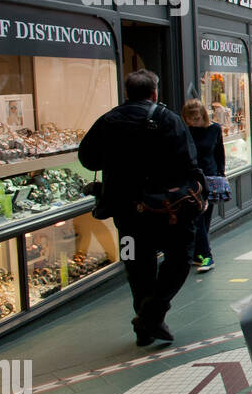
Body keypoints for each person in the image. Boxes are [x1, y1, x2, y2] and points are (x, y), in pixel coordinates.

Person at [79, 70, 203, 346]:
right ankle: (152, 314)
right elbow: (188, 161)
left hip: (125, 211)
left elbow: (87, 158)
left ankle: (145, 325)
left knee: (137, 265)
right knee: (180, 257)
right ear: (154, 92)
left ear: (127, 92)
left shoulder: (108, 120)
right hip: (166, 210)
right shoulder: (167, 118)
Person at [182, 99, 225, 273]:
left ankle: (198, 255)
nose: (193, 122)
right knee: (197, 218)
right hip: (192, 180)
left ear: (203, 116)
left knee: (204, 220)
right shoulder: (185, 131)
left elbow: (219, 152)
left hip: (211, 178)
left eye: (197, 118)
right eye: (190, 119)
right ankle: (207, 256)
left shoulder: (214, 129)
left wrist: (221, 174)